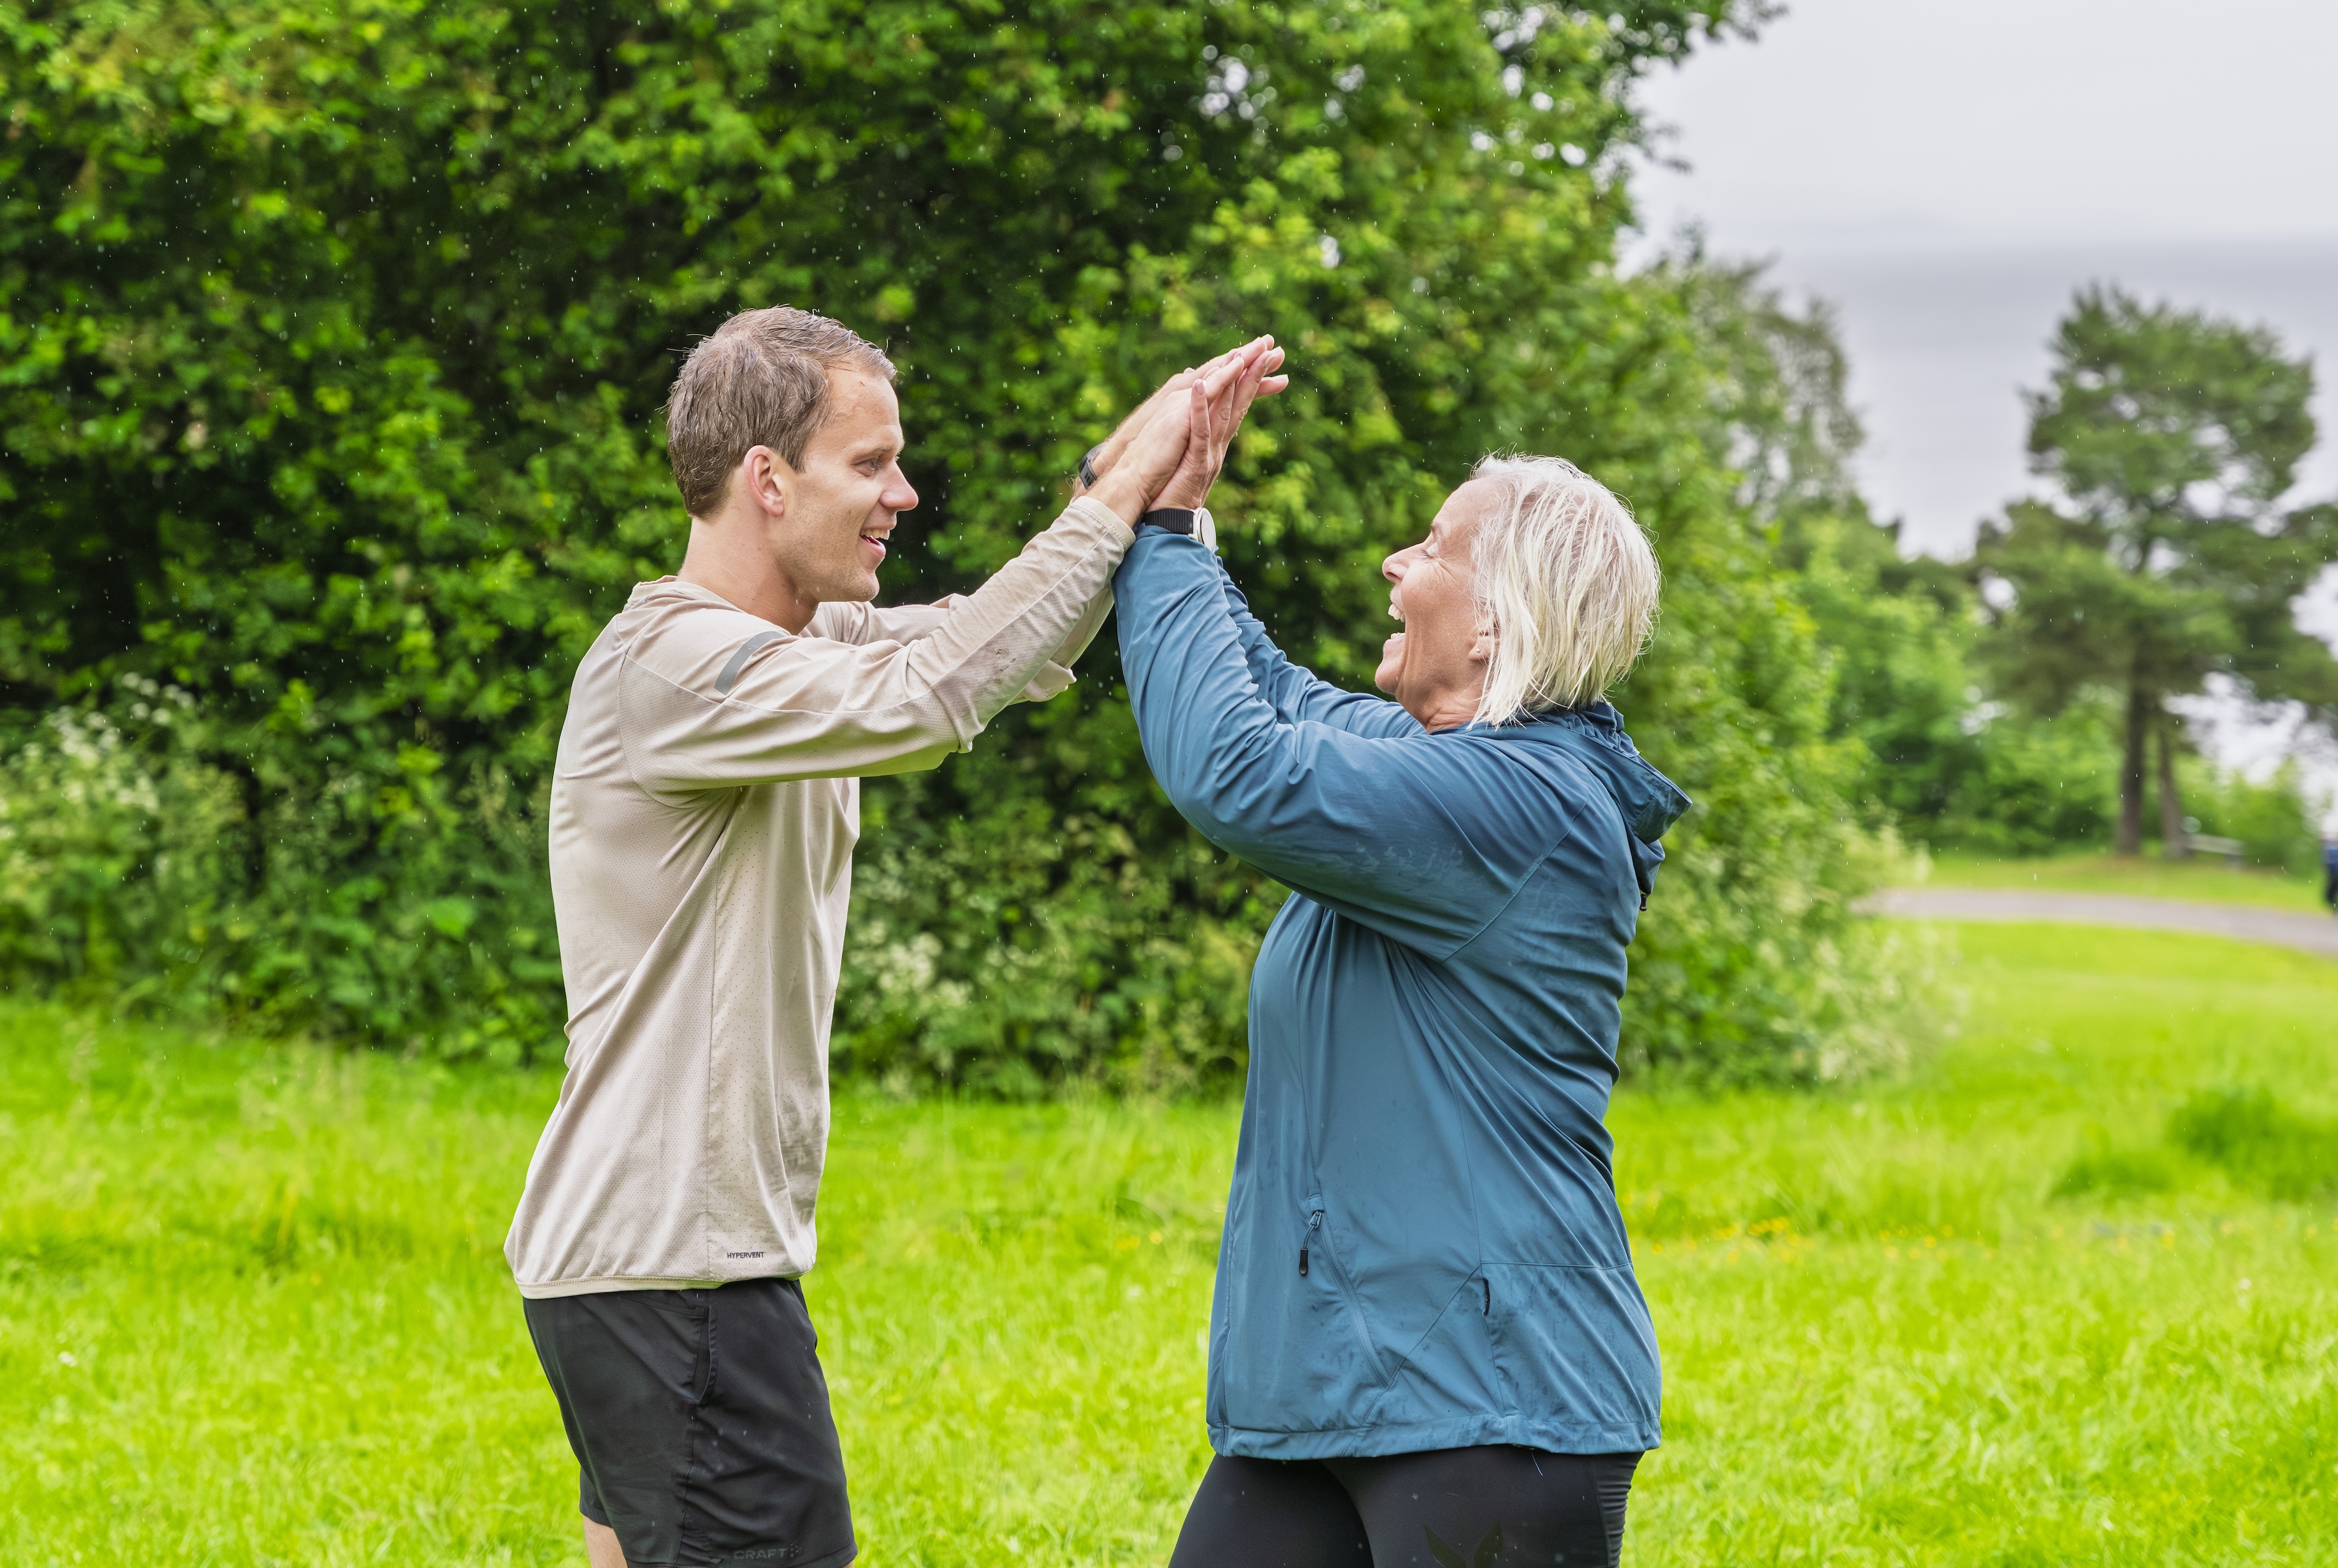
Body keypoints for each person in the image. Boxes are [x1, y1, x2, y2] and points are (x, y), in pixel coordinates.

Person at [504, 305, 1286, 1568]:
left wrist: (1126, 485)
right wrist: (1112, 498)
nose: (903, 496)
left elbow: (999, 648)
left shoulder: (797, 643)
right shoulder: (677, 665)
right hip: (674, 1268)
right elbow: (936, 696)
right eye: (870, 464)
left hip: (643, 1267)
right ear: (768, 479)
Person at [1113, 441, 1689, 1568]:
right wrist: (1165, 512)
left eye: (1432, 548)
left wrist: (1165, 539)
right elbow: (1270, 696)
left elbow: (1235, 766)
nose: (1396, 563)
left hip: (1496, 1401)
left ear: (1493, 623)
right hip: (1332, 1390)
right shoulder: (1448, 765)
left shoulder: (1523, 803)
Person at [2323, 834, 2338, 914]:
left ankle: (2335, 907)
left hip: (2335, 876)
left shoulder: (2329, 850)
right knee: (2331, 895)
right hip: (2334, 876)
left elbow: (2329, 863)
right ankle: (2335, 907)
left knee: (2329, 896)